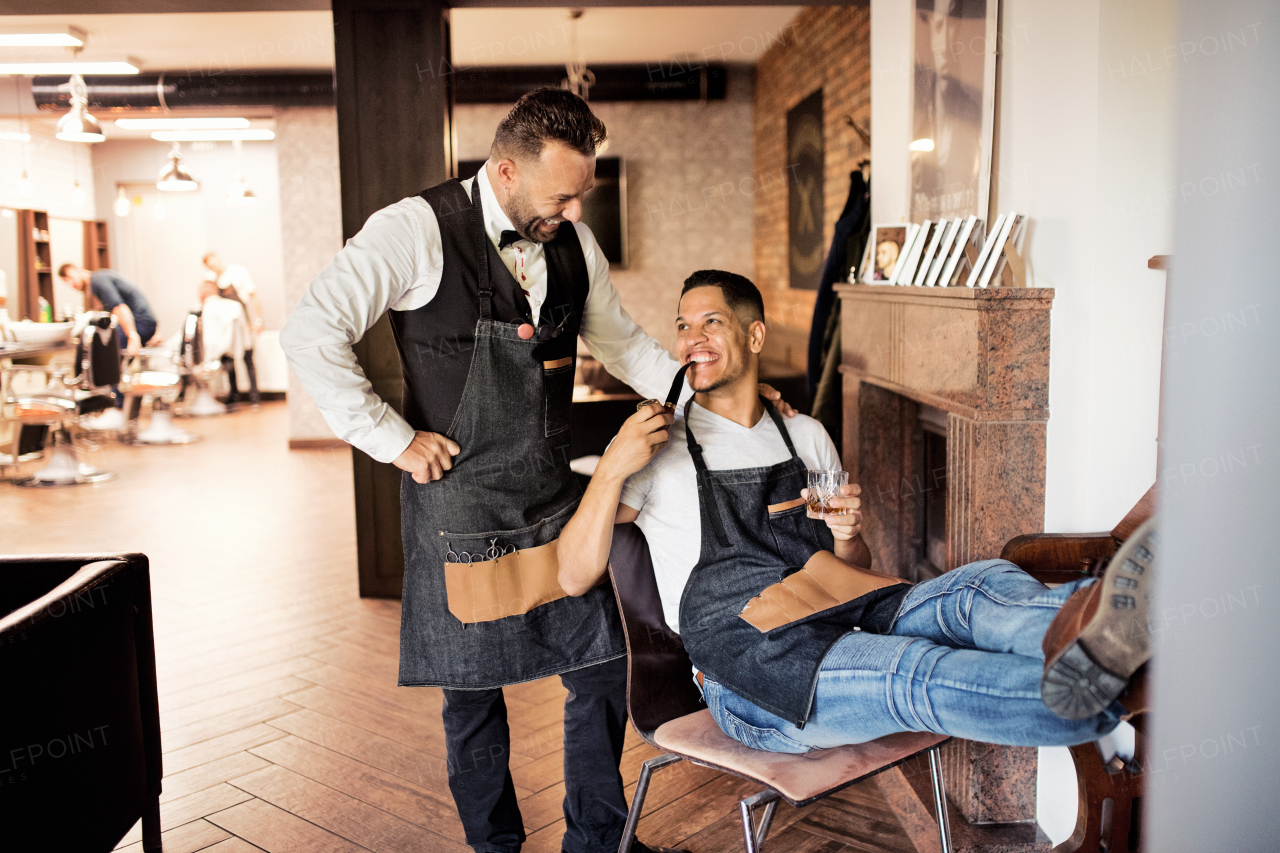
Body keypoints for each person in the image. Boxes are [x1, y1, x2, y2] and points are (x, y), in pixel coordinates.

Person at [281, 89, 794, 853]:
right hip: (460, 511)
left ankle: (595, 838)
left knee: (602, 663)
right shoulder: (415, 231)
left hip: (554, 500)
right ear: (507, 169)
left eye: (582, 193)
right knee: (473, 698)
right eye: (563, 194)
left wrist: (718, 396)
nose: (575, 211)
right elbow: (310, 330)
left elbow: (626, 348)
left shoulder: (572, 247)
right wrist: (392, 438)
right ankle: (497, 847)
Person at [558, 269, 1151, 755]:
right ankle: (1099, 693)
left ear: (755, 336)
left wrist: (847, 535)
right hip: (751, 670)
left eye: (711, 322)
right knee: (913, 668)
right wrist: (611, 465)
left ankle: (1109, 632)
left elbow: (853, 564)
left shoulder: (806, 435)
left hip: (837, 611)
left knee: (979, 585)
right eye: (683, 326)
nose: (692, 339)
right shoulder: (659, 446)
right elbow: (573, 573)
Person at [58, 263, 162, 428]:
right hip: (145, 322)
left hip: (139, 322)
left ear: (79, 270)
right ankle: (116, 409)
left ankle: (116, 411)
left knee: (111, 360)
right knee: (116, 363)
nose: (72, 284)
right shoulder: (102, 278)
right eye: (66, 282)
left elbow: (120, 309)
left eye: (70, 278)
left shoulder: (98, 280)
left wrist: (133, 335)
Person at [202, 253, 261, 406]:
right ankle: (234, 395)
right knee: (228, 360)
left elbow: (253, 297)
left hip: (241, 322)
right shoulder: (211, 278)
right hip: (225, 327)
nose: (213, 267)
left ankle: (255, 397)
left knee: (248, 358)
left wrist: (257, 320)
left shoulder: (237, 272)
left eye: (213, 263)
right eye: (210, 266)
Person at [196, 279, 252, 406]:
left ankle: (235, 395)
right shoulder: (224, 306)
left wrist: (221, 348)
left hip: (216, 348)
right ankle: (235, 395)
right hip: (224, 347)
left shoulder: (212, 306)